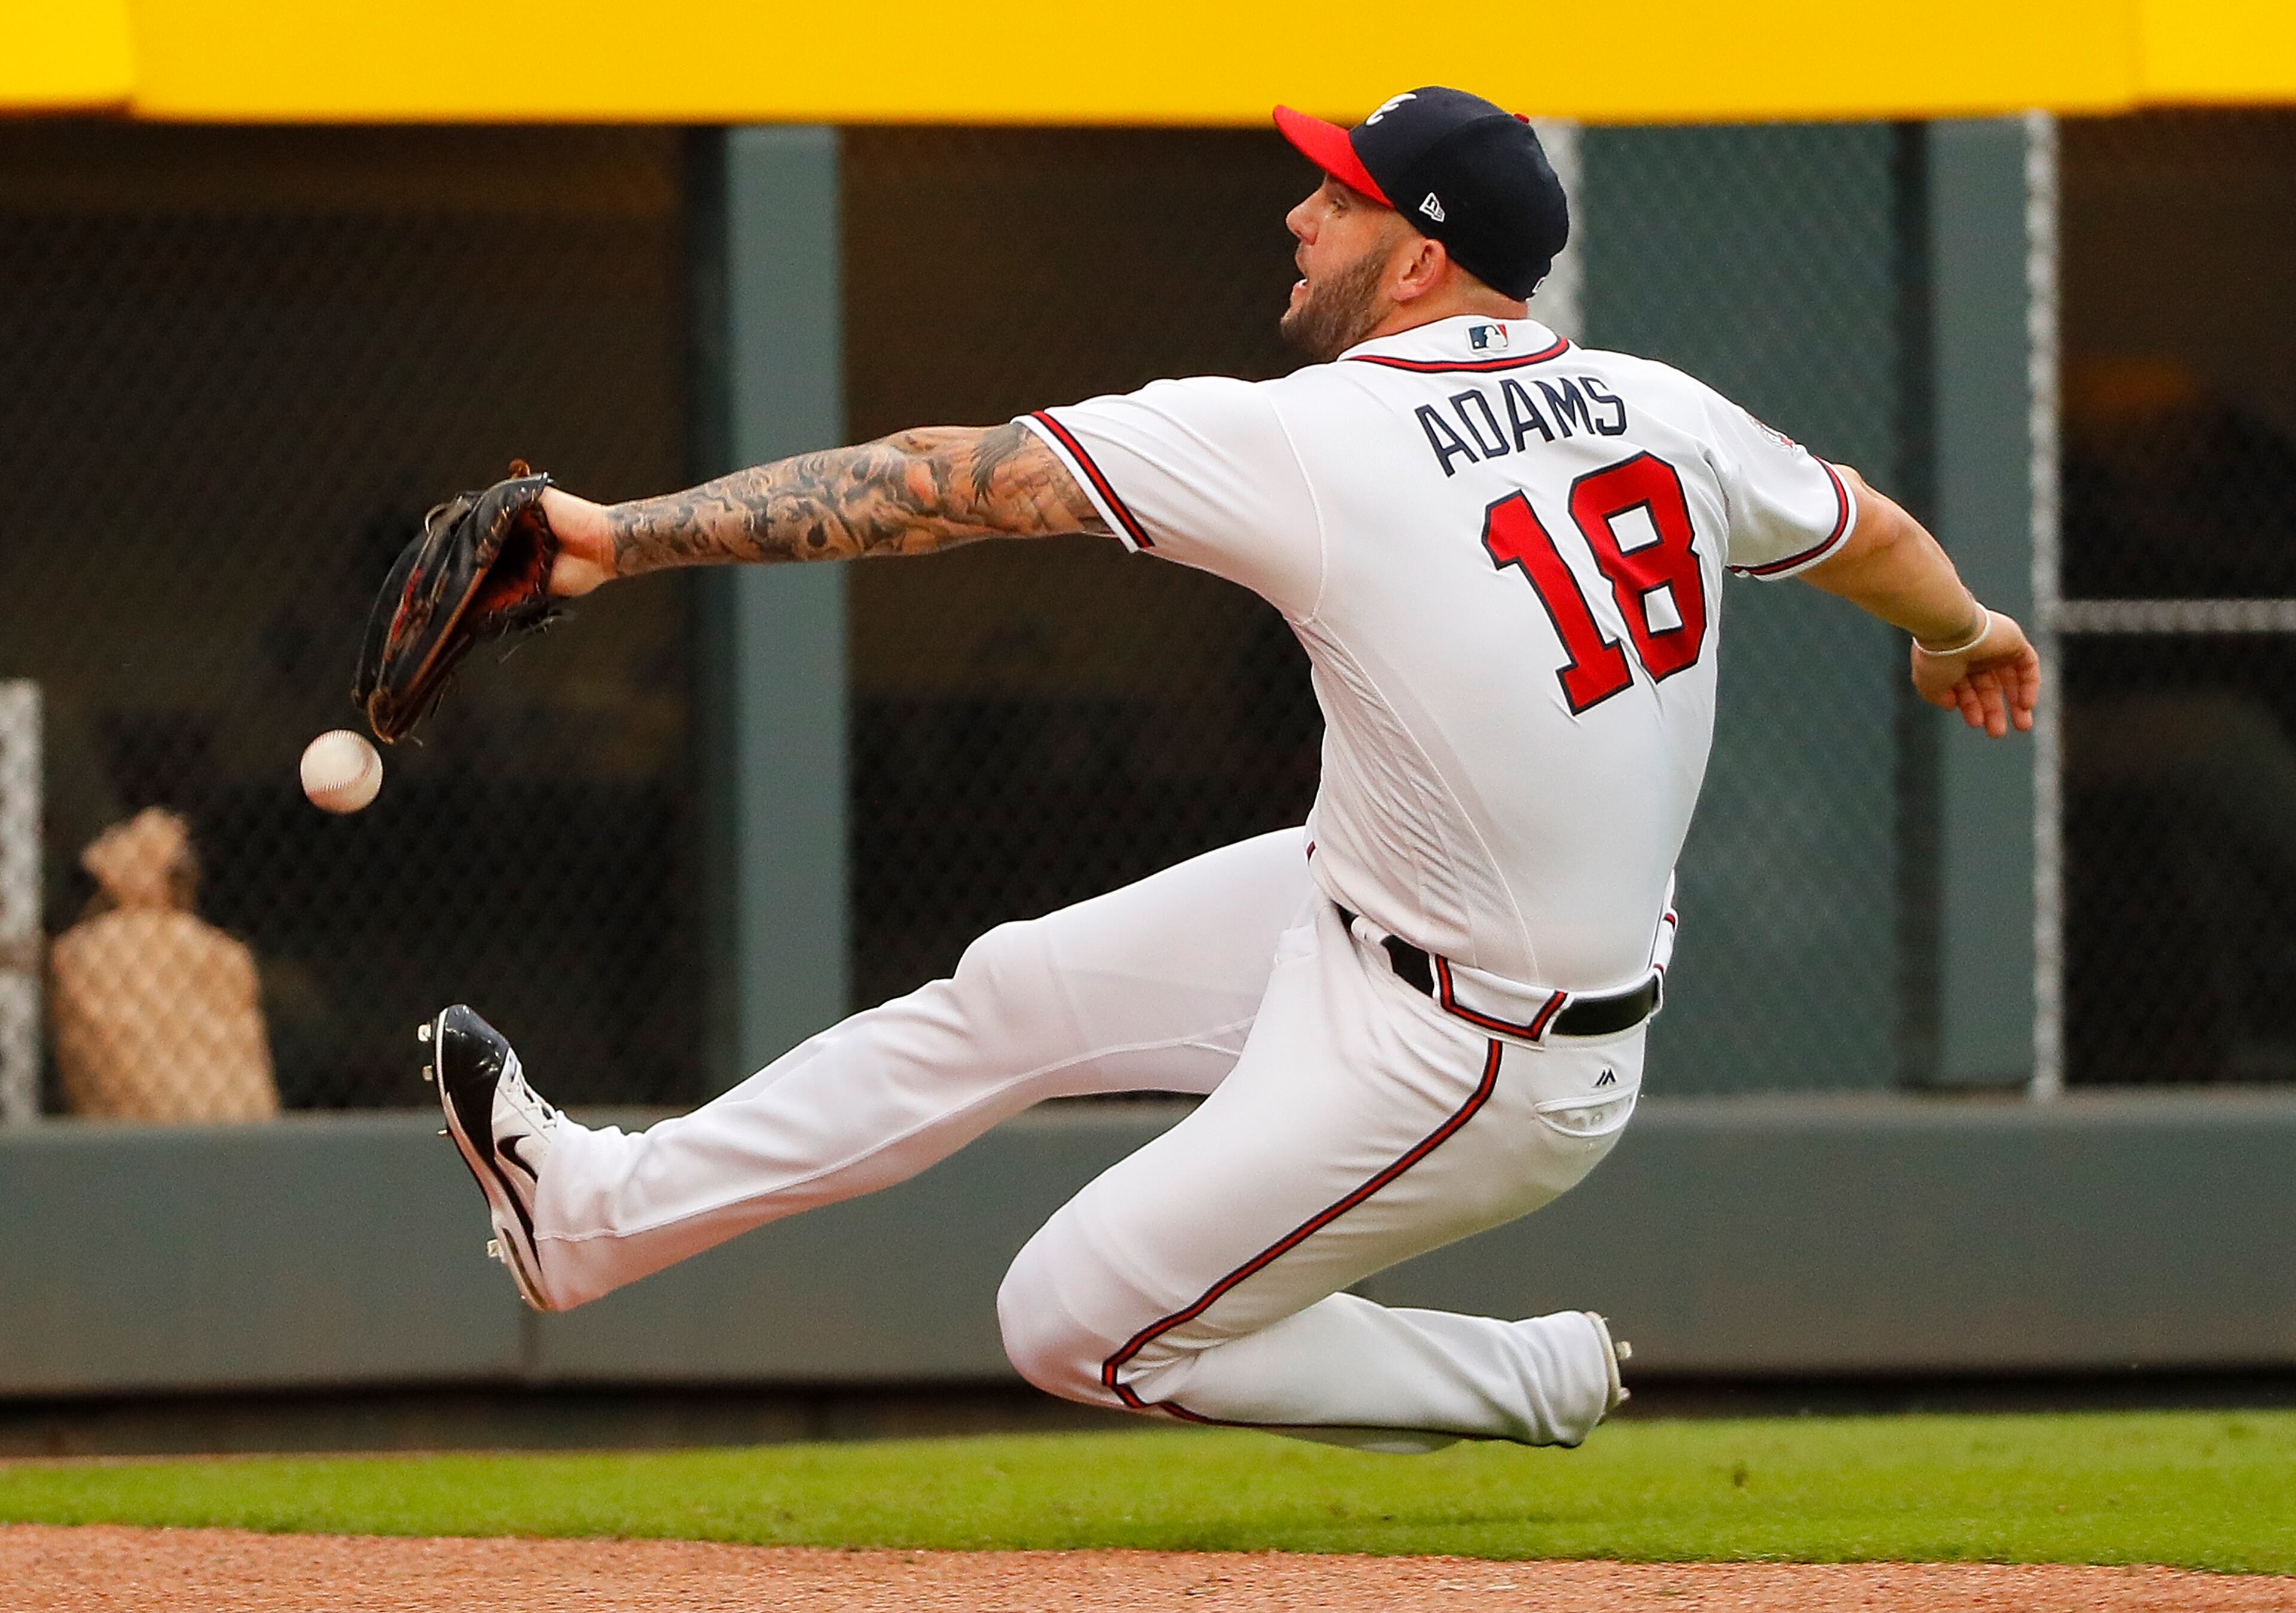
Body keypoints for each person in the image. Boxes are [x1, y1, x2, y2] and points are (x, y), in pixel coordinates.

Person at [425, 86, 2040, 1454]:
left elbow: (943, 483)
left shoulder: (1322, 438)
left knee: (1067, 1320)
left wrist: (613, 542)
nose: (1296, 215)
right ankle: (591, 1212)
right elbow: (1868, 529)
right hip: (1361, 904)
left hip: (1480, 1057)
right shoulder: (1652, 407)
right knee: (1012, 994)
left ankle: (1515, 1377)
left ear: (1418, 258)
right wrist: (1960, 633)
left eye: (1334, 197)